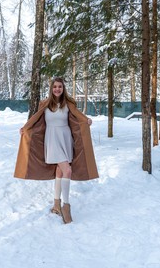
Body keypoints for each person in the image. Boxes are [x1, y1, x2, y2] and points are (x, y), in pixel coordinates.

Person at [14, 77, 99, 224]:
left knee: (60, 172)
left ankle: (56, 205)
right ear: (51, 89)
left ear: (63, 88)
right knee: (68, 171)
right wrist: (25, 128)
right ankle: (66, 206)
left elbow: (78, 116)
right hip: (52, 140)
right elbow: (35, 119)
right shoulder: (45, 104)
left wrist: (86, 120)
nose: (57, 89)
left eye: (60, 86)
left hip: (65, 139)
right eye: (55, 87)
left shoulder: (68, 104)